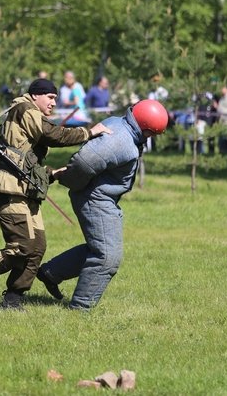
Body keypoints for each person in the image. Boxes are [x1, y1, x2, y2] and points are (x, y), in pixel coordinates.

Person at [0, 78, 112, 310]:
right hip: (9, 190)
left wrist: (51, 173)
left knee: (36, 248)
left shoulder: (27, 114)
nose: (54, 103)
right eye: (50, 97)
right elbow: (53, 135)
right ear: (36, 95)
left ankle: (13, 300)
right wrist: (89, 132)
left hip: (25, 191)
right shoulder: (25, 109)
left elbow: (25, 160)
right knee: (23, 248)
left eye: (56, 98)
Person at [36, 99, 169, 310]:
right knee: (107, 257)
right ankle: (80, 309)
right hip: (96, 199)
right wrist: (71, 181)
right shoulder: (120, 140)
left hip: (99, 197)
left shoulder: (121, 125)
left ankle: (51, 273)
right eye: (151, 133)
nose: (151, 137)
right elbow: (85, 162)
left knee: (98, 248)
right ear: (143, 125)